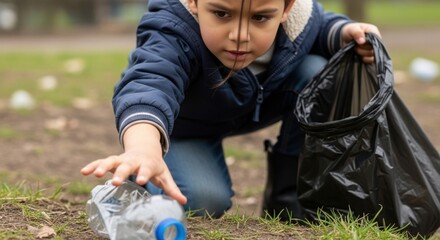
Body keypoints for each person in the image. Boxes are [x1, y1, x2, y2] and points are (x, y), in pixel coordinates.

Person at [81, 0, 381, 220]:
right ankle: (145, 172)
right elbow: (150, 83)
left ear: (287, 9)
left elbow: (321, 26)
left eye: (260, 17)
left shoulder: (299, 20)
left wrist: (344, 32)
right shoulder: (173, 28)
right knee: (203, 202)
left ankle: (291, 195)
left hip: (253, 108)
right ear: (195, 2)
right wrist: (144, 149)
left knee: (320, 69)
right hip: (184, 128)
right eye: (222, 13)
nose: (240, 35)